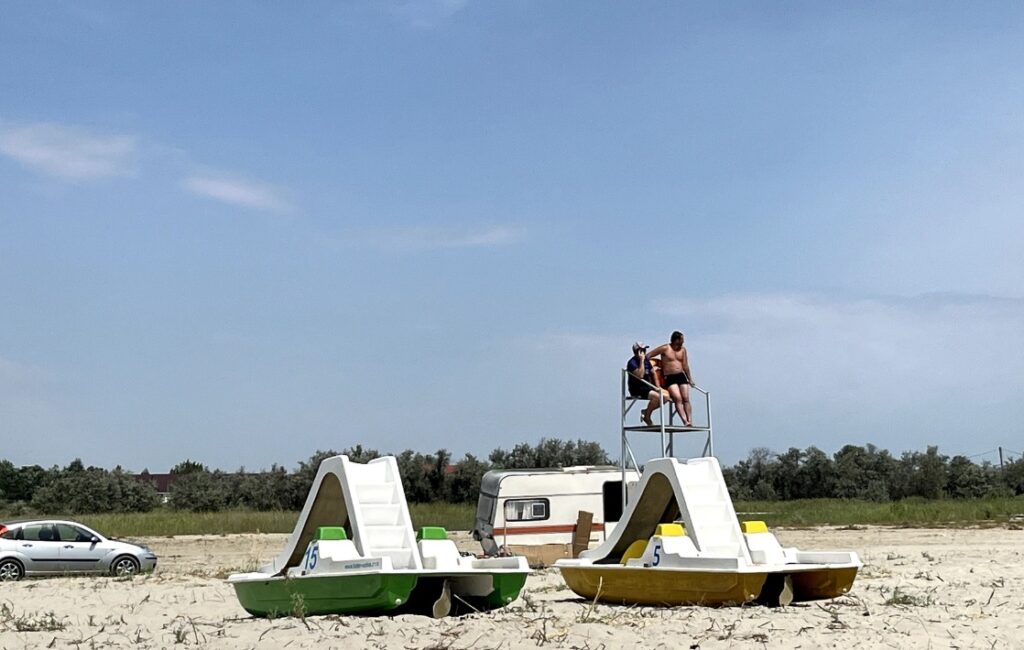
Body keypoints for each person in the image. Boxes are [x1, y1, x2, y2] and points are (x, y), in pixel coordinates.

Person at [646, 330, 694, 426]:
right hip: (670, 376)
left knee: (686, 398)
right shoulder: (665, 348)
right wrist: (651, 369)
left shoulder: (683, 350)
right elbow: (648, 355)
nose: (683, 342)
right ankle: (685, 421)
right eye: (681, 340)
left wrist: (690, 378)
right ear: (676, 340)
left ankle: (690, 420)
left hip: (681, 375)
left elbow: (685, 365)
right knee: (678, 398)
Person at [626, 342, 665, 426]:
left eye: (645, 349)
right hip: (637, 389)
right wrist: (641, 361)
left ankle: (646, 412)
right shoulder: (632, 363)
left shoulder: (647, 361)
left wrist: (657, 387)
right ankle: (647, 417)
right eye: (642, 350)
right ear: (637, 351)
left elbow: (653, 373)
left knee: (665, 397)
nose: (645, 351)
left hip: (647, 387)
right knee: (658, 397)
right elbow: (639, 375)